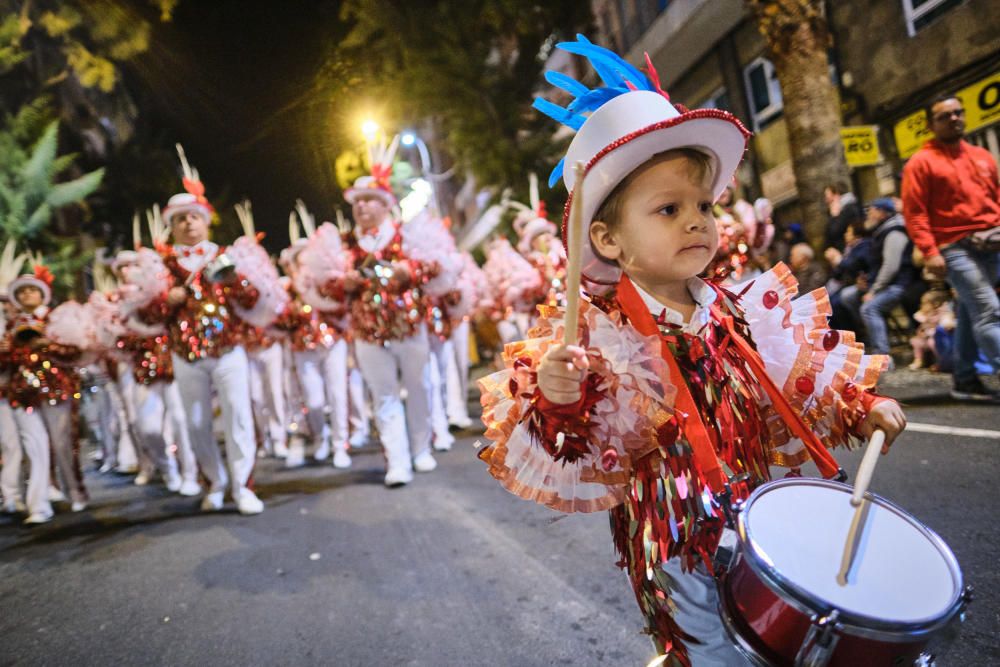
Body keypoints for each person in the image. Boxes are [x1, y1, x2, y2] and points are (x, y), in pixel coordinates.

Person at [477, 36, 906, 665]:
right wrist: (561, 397)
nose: (696, 221)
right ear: (608, 238)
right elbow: (573, 437)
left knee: (778, 643)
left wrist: (857, 403)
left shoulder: (736, 308)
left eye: (704, 205)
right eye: (669, 208)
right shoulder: (600, 335)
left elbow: (791, 380)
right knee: (705, 650)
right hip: (674, 538)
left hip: (758, 518)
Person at [137, 151, 271, 515]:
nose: (188, 224)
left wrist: (234, 280)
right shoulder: (161, 265)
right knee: (196, 422)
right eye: (181, 220)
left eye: (194, 217)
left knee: (238, 416)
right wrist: (169, 299)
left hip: (228, 349)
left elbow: (254, 298)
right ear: (172, 226)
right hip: (184, 354)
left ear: (206, 221)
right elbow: (146, 314)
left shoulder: (226, 255)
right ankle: (215, 482)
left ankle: (244, 486)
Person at [328, 139, 440, 487]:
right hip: (367, 332)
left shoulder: (407, 234)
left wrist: (411, 272)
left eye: (368, 201)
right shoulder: (342, 244)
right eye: (357, 202)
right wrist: (341, 284)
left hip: (409, 325)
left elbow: (436, 265)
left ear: (384, 204)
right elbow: (323, 286)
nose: (361, 207)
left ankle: (421, 449)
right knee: (384, 395)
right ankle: (397, 461)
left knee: (418, 387)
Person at [902, 93, 1000, 401]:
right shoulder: (921, 162)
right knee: (988, 310)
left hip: (992, 241)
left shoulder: (982, 156)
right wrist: (930, 251)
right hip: (954, 248)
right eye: (945, 116)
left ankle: (965, 378)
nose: (954, 118)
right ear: (931, 125)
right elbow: (915, 211)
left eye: (958, 112)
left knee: (971, 311)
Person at [4, 264, 87, 523]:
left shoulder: (57, 319)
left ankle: (75, 491)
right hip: (22, 393)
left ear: (42, 294)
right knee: (34, 447)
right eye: (23, 292)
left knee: (63, 445)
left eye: (32, 290)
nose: (27, 295)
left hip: (56, 389)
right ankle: (38, 506)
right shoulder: (9, 326)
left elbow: (76, 350)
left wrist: (48, 344)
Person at [840, 198, 917, 358]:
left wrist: (874, 291)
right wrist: (864, 281)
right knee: (847, 296)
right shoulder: (881, 232)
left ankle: (881, 356)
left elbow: (891, 267)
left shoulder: (894, 232)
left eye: (871, 210)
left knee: (869, 308)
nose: (868, 215)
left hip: (897, 284)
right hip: (881, 284)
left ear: (882, 213)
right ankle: (871, 336)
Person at [824, 181, 863, 252]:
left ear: (836, 195)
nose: (826, 200)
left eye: (827, 195)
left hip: (846, 251)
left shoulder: (848, 209)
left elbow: (834, 232)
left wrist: (834, 216)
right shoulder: (845, 208)